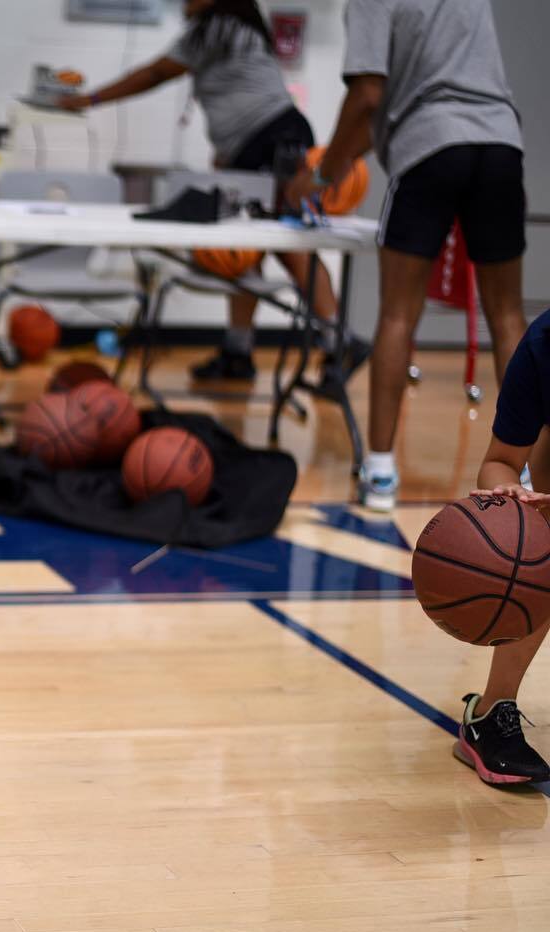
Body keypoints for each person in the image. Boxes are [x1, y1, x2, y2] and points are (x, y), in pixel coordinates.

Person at [287, 0, 526, 512]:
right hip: (501, 141)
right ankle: (528, 471)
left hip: (431, 145)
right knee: (507, 314)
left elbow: (368, 98)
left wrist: (323, 175)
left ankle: (379, 474)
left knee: (398, 313)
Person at [65, 0, 354, 383]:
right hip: (263, 142)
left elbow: (154, 74)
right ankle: (239, 350)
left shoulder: (216, 28)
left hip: (272, 140)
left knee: (291, 247)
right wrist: (228, 155)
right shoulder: (234, 29)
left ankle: (338, 345)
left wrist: (89, 99)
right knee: (246, 249)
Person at [452, 308, 550, 785]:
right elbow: (499, 461)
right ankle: (490, 713)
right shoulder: (545, 343)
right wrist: (511, 491)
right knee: (533, 545)